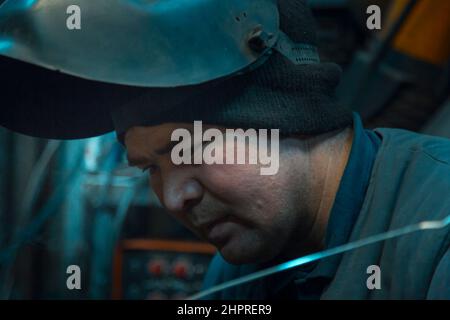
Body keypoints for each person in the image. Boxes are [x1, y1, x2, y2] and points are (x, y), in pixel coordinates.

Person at [0, 0, 448, 299]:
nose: (173, 199)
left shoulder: (436, 236)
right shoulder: (239, 273)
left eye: (186, 149)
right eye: (149, 169)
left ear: (282, 116)